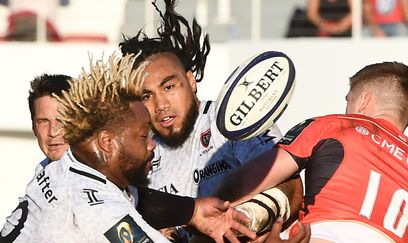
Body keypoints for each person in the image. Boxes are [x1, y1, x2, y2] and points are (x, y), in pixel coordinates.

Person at [1, 53, 256, 243]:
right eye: (143, 135)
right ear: (106, 142)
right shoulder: (101, 212)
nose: (152, 144)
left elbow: (137, 198)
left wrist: (192, 211)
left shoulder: (66, 166)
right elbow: (115, 207)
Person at [119, 0, 304, 241]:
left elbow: (291, 187)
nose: (161, 104)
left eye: (169, 86)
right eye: (147, 96)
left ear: (191, 80)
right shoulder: (140, 148)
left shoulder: (232, 120)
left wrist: (246, 219)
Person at [214, 62, 408, 242]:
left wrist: (199, 212)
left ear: (363, 101)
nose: (346, 107)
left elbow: (251, 179)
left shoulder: (337, 126)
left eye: (349, 99)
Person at [27, 74, 71, 163]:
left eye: (62, 120)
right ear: (34, 129)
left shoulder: (103, 173)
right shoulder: (41, 173)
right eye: (43, 121)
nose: (53, 132)